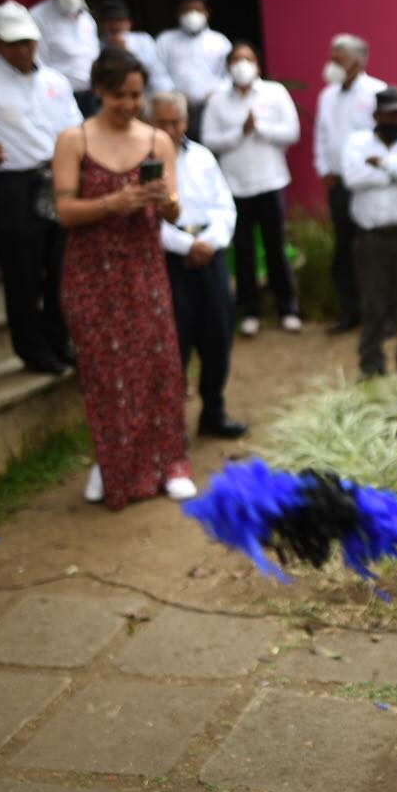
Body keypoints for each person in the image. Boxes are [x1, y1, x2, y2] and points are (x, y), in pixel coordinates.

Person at [51, 46, 195, 508]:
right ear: (98, 91)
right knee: (104, 370)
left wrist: (163, 201)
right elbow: (64, 211)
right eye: (119, 95)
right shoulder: (73, 139)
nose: (130, 104)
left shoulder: (158, 140)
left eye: (136, 95)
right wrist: (112, 204)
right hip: (91, 272)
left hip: (143, 267)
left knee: (159, 363)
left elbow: (174, 208)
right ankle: (111, 461)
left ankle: (170, 461)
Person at [0, 0, 83, 374]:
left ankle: (60, 339)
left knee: (61, 264)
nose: (23, 50)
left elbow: (74, 128)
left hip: (56, 175)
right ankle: (33, 349)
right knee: (23, 270)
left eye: (28, 42)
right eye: (14, 43)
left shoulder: (55, 81)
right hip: (12, 181)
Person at [149, 89, 248, 438]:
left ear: (186, 120)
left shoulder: (203, 155)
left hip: (211, 254)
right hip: (170, 259)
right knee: (176, 339)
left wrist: (208, 242)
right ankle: (170, 424)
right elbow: (150, 219)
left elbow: (225, 206)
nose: (169, 128)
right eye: (161, 122)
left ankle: (213, 411)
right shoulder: (145, 162)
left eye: (175, 121)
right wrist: (187, 244)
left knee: (218, 333)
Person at [200, 40, 301, 336]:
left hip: (271, 181)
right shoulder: (218, 100)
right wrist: (238, 132)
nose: (242, 64)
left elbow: (291, 132)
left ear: (256, 63)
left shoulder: (275, 92)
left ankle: (288, 308)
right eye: (236, 59)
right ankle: (250, 311)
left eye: (247, 58)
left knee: (275, 248)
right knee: (243, 251)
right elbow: (208, 140)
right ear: (229, 66)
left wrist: (260, 129)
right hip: (235, 185)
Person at [342, 85, 397, 378]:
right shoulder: (356, 142)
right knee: (373, 302)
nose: (396, 121)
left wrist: (382, 164)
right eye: (390, 115)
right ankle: (371, 365)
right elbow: (352, 178)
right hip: (370, 237)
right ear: (377, 114)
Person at [314, 32, 385, 334]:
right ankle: (351, 310)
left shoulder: (376, 91)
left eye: (338, 58)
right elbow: (322, 134)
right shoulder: (327, 95)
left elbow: (383, 138)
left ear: (356, 61)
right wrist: (323, 168)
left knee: (372, 247)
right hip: (338, 184)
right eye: (332, 57)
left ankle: (380, 314)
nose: (332, 63)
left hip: (367, 185)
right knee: (344, 248)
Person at [154, 0, 230, 140]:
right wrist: (175, 95)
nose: (192, 15)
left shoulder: (219, 41)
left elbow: (228, 76)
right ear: (178, 13)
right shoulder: (165, 40)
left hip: (212, 106)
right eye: (186, 10)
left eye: (197, 10)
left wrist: (214, 94)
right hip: (176, 108)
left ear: (206, 12)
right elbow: (158, 73)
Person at [31, 0, 99, 117]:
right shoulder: (37, 17)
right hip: (59, 97)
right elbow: (38, 62)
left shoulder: (87, 19)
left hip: (92, 95)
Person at [97, 0, 172, 93]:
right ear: (103, 24)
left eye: (120, 20)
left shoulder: (143, 39)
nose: (116, 25)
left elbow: (156, 71)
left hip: (146, 98)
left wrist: (127, 51)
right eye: (110, 20)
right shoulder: (98, 45)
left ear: (129, 23)